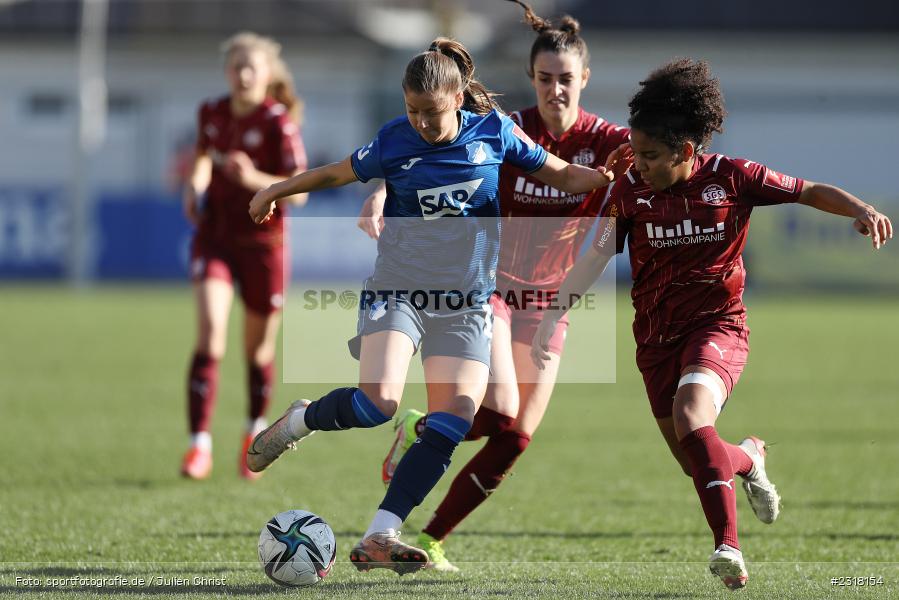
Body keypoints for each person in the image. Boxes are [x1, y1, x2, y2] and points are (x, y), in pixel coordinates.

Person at [245, 37, 632, 575]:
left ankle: (383, 531)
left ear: (457, 101)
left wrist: (604, 179)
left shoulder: (494, 130)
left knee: (454, 419)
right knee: (378, 403)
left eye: (432, 112)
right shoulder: (394, 141)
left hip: (469, 302)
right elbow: (336, 171)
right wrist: (276, 190)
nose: (423, 123)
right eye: (413, 111)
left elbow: (561, 173)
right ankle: (300, 420)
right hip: (401, 290)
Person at [531, 58, 892, 590]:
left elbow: (808, 190)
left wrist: (860, 207)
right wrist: (554, 313)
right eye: (637, 151)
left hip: (718, 329)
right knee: (695, 457)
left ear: (686, 150)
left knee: (691, 414)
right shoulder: (630, 190)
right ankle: (748, 458)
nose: (640, 163)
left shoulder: (733, 178)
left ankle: (728, 547)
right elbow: (597, 256)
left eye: (651, 155)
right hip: (654, 341)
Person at [357, 1, 631, 572]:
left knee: (515, 436)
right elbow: (427, 162)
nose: (555, 89)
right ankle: (419, 456)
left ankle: (430, 532)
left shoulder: (610, 144)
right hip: (490, 286)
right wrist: (383, 192)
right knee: (501, 405)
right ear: (532, 80)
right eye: (544, 78)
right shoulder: (504, 131)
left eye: (566, 79)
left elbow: (653, 173)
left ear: (585, 80)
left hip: (551, 298)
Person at [180, 32, 308, 480]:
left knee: (257, 352)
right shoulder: (211, 112)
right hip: (215, 238)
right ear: (227, 71)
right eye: (237, 66)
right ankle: (199, 446)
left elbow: (301, 193)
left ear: (267, 74)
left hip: (263, 247)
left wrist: (254, 176)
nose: (244, 74)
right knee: (211, 335)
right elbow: (201, 156)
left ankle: (252, 434)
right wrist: (195, 185)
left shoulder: (278, 123)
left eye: (252, 67)